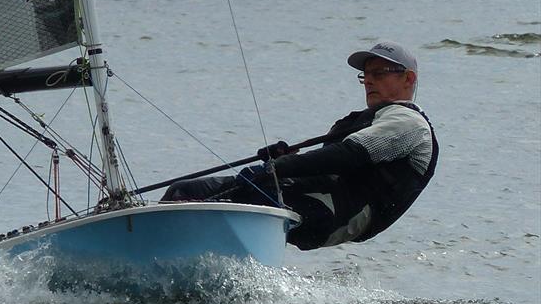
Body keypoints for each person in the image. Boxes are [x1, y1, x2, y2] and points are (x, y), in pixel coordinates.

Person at [162, 40, 439, 250]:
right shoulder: (370, 119)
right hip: (313, 197)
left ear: (408, 78)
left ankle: (173, 259)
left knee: (226, 199)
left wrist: (278, 167)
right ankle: (160, 249)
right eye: (365, 75)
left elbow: (348, 155)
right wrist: (290, 160)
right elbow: (328, 164)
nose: (368, 80)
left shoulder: (409, 124)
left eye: (379, 73)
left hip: (334, 214)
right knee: (184, 191)